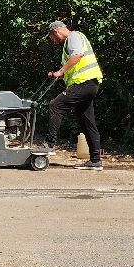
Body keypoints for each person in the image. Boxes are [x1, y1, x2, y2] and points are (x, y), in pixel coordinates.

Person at [38, 19, 103, 170]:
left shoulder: (73, 36)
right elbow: (73, 64)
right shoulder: (72, 40)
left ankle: (49, 144)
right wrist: (58, 74)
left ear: (56, 31)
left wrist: (61, 71)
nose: (53, 41)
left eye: (51, 38)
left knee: (55, 106)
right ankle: (95, 160)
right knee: (87, 122)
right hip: (89, 84)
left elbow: (77, 55)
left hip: (84, 83)